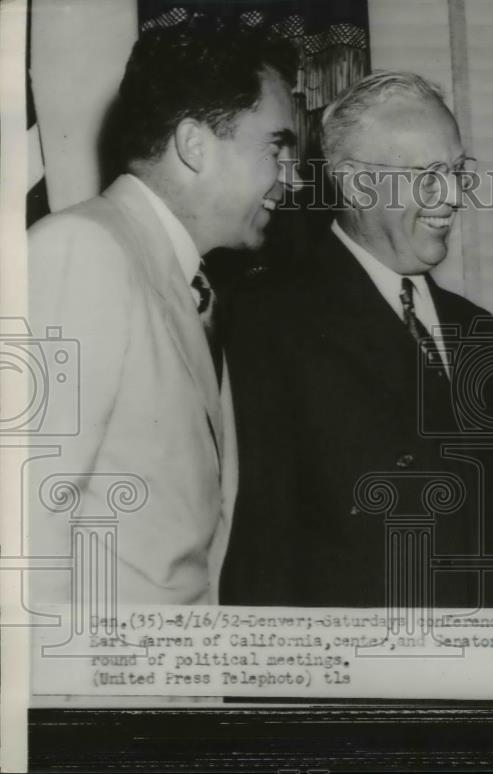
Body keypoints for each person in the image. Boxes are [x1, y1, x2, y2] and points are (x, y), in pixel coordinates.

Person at [221, 71, 493, 609]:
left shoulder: (478, 330)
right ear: (356, 183)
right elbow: (263, 548)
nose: (451, 197)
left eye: (456, 172)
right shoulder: (268, 321)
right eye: (428, 176)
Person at [28, 27, 299, 604]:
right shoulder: (83, 250)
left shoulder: (192, 286)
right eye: (273, 150)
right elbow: (26, 527)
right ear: (194, 146)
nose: (288, 178)